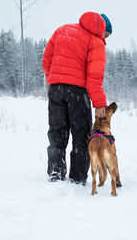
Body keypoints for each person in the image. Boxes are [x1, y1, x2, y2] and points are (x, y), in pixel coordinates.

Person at [42, 12, 112, 184]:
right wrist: (100, 104)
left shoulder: (62, 30)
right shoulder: (95, 42)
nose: (105, 39)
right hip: (78, 93)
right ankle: (78, 177)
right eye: (106, 35)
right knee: (81, 134)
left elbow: (46, 60)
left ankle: (55, 172)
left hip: (56, 89)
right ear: (101, 29)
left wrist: (54, 80)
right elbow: (94, 79)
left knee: (57, 131)